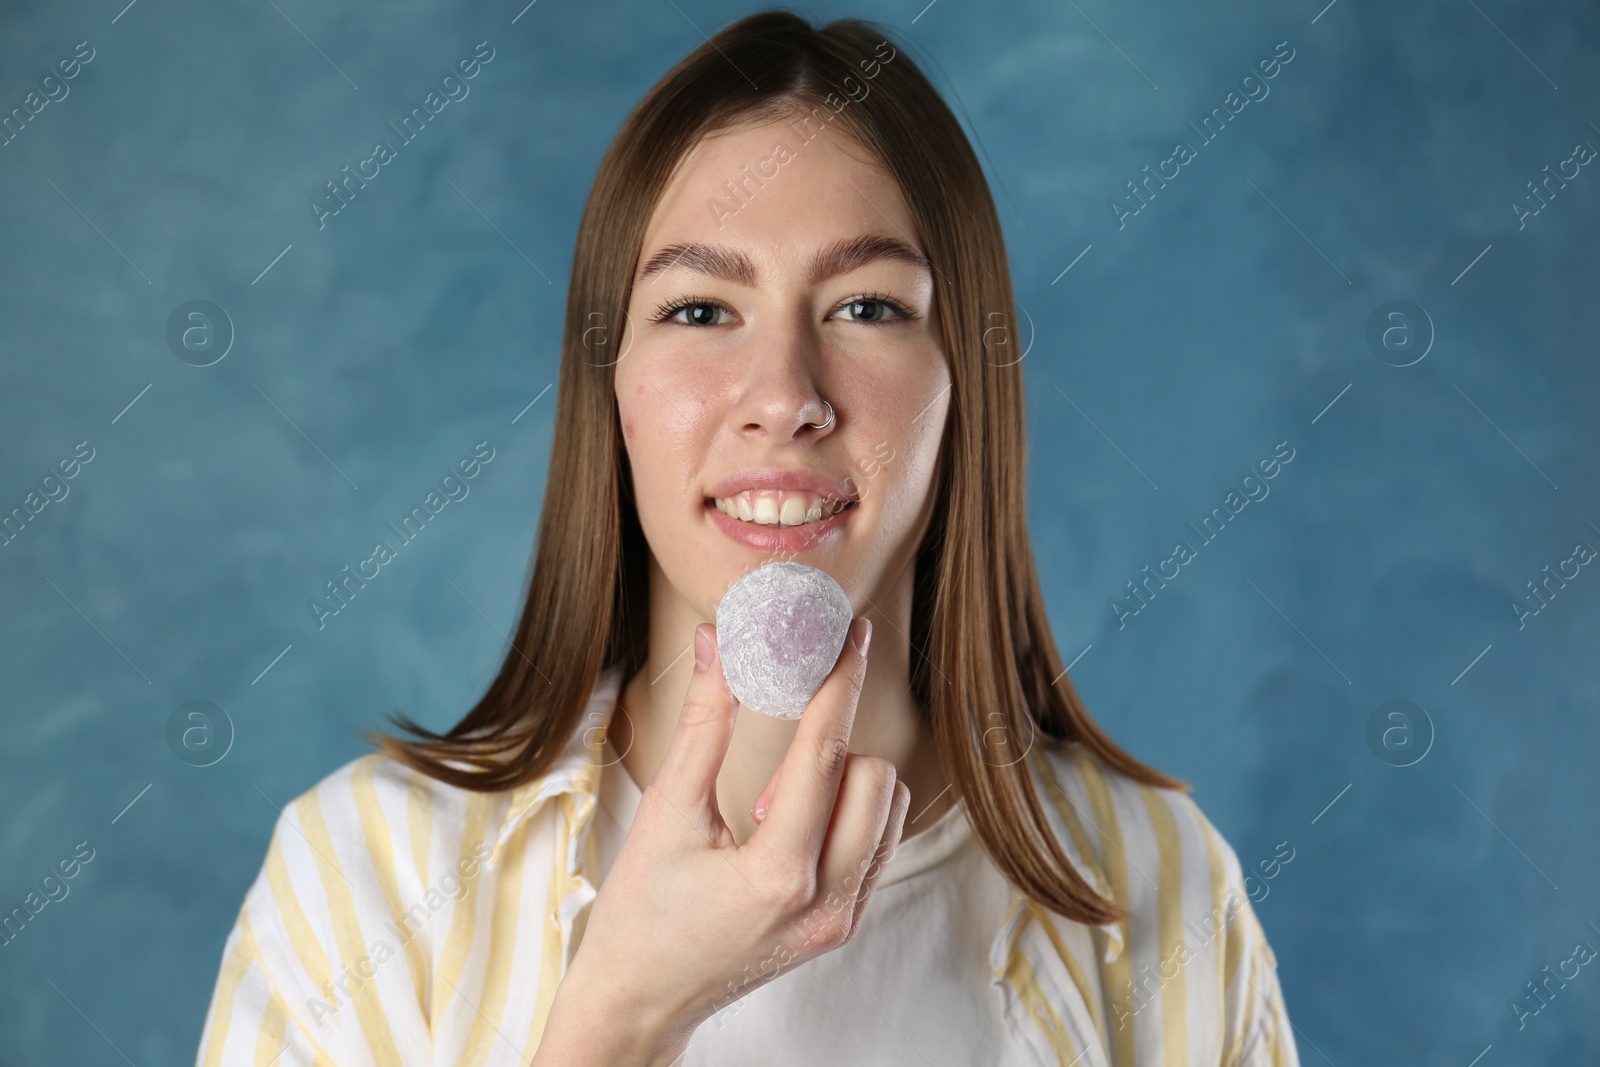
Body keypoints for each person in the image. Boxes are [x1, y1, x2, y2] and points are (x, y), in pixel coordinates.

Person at [195, 10, 1301, 1065]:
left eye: (867, 307)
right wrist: (622, 1015)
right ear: (611, 386)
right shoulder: (369, 874)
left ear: (965, 383)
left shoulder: (1160, 883)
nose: (783, 395)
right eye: (699, 311)